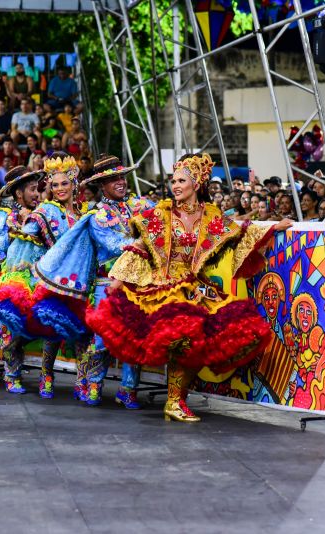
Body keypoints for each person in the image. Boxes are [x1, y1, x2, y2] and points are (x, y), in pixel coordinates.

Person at [86, 153, 292, 422]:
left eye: (181, 180)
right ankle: (168, 400)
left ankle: (176, 400)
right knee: (177, 339)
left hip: (196, 289)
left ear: (196, 184)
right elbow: (139, 247)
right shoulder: (161, 213)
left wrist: (274, 226)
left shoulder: (210, 216)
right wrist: (118, 279)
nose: (176, 185)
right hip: (163, 288)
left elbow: (239, 232)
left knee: (208, 340)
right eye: (173, 180)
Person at [34, 154, 154, 407]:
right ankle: (95, 382)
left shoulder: (141, 206)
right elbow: (113, 245)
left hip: (139, 284)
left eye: (121, 177)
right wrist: (141, 242)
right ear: (102, 185)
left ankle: (128, 390)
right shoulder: (98, 215)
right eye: (112, 179)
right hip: (106, 284)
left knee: (135, 337)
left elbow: (161, 224)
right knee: (102, 339)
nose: (120, 182)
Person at [0, 155, 86, 397]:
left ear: (74, 183)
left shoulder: (84, 213)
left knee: (56, 328)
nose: (59, 189)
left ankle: (50, 375)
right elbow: (26, 233)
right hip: (35, 277)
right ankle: (12, 372)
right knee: (21, 330)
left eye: (64, 184)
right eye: (54, 185)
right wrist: (19, 230)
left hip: (71, 279)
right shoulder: (44, 211)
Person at [0, 167, 42, 393]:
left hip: (37, 281)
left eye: (38, 189)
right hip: (9, 282)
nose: (37, 194)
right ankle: (12, 374)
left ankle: (46, 376)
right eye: (33, 189)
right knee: (11, 329)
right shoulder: (2, 218)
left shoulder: (43, 215)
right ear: (18, 194)